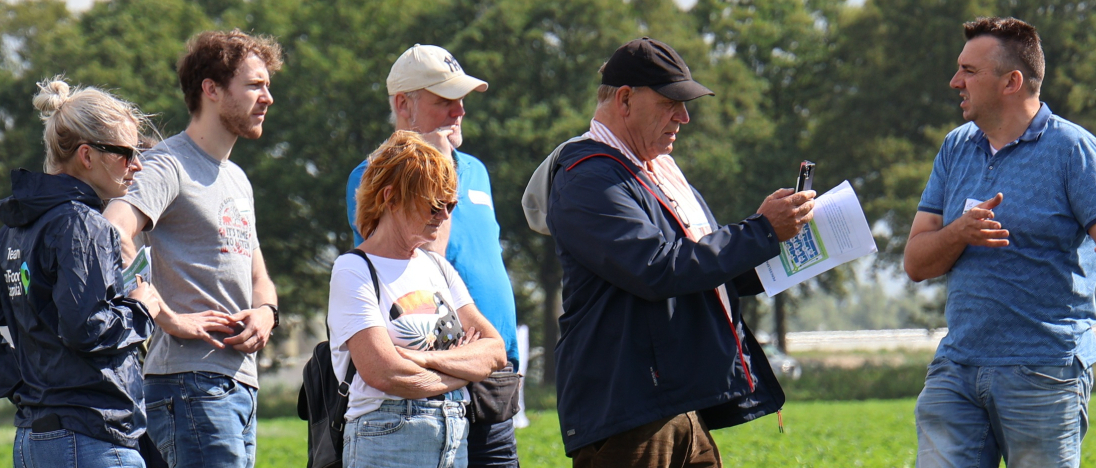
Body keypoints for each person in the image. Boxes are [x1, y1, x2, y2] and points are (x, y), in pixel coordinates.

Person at [523, 37, 816, 467]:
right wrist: (761, 231)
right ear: (625, 100)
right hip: (630, 410)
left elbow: (703, 271)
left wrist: (789, 247)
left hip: (674, 403)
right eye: (670, 103)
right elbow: (657, 268)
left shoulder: (654, 173)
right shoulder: (589, 178)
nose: (684, 117)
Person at [902, 17, 1096, 468]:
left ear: (1011, 82)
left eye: (969, 71)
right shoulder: (956, 147)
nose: (955, 82)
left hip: (1044, 371)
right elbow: (916, 263)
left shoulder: (1073, 149)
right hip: (957, 367)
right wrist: (960, 232)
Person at [0, 79, 158, 467]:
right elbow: (86, 327)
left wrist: (29, 388)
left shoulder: (18, 228)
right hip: (91, 438)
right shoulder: (84, 225)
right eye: (128, 154)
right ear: (87, 155)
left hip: (34, 440)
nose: (137, 165)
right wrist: (140, 310)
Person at [103, 30, 284, 467]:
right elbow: (112, 231)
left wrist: (266, 313)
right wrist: (165, 316)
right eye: (255, 85)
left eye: (268, 86)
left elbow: (259, 275)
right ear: (212, 90)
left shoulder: (237, 178)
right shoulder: (167, 165)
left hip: (238, 385)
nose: (268, 98)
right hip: (189, 385)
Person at [345, 44, 523, 467]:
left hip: (493, 373)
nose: (459, 111)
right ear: (403, 104)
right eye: (444, 100)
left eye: (461, 99)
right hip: (432, 382)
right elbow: (420, 259)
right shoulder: (373, 176)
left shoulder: (475, 169)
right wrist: (437, 168)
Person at [331, 131, 509, 468]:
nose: (444, 216)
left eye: (450, 205)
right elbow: (385, 373)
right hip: (387, 438)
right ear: (391, 198)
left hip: (454, 437)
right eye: (434, 204)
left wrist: (422, 359)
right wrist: (465, 369)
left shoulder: (438, 267)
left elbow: (495, 350)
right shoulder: (353, 270)